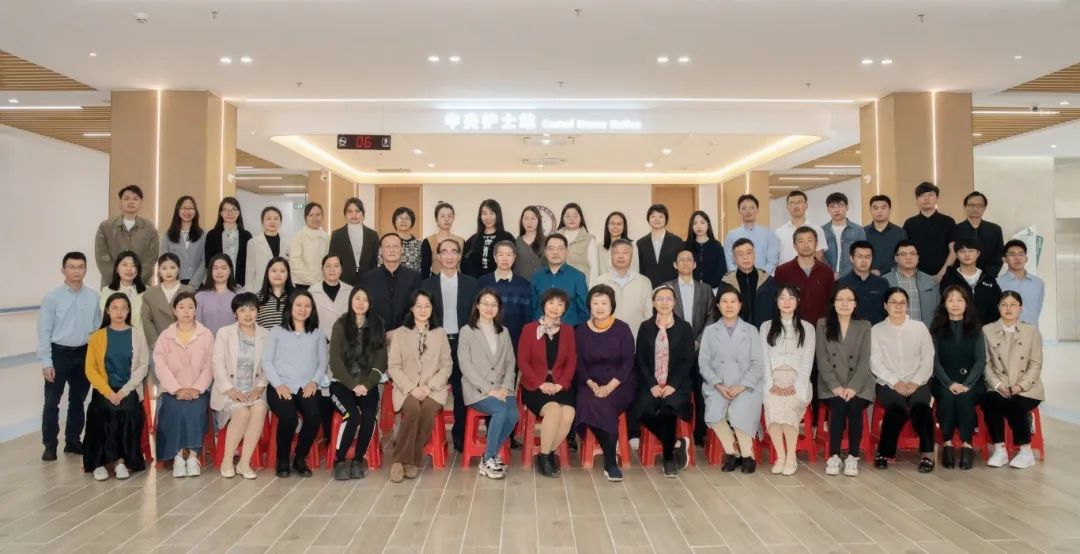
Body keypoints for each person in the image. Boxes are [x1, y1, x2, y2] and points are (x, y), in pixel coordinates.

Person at [38, 252, 99, 461]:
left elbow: (97, 329)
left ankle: (72, 441)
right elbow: (44, 331)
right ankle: (50, 445)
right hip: (59, 354)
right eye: (71, 267)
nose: (76, 271)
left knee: (78, 401)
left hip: (83, 353)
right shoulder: (52, 298)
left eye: (80, 267)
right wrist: (46, 362)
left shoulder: (93, 296)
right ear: (63, 270)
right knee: (51, 402)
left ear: (86, 269)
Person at [387, 290, 453, 483]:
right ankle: (400, 461)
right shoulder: (400, 333)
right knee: (414, 409)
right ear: (411, 308)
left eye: (427, 306)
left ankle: (410, 460)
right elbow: (394, 367)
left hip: (433, 389)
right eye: (419, 306)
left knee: (429, 409)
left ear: (432, 309)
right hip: (406, 388)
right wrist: (411, 388)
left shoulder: (440, 333)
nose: (423, 310)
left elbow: (447, 365)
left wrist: (429, 387)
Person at [421, 238, 480, 452]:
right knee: (430, 387)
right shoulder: (427, 285)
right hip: (436, 344)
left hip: (462, 342)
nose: (449, 255)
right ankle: (427, 435)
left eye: (453, 251)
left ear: (459, 256)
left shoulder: (471, 283)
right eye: (444, 251)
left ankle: (460, 435)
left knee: (461, 390)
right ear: (438, 256)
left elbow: (477, 315)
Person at [82, 292, 148, 480]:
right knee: (103, 412)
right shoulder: (97, 337)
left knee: (127, 411)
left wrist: (124, 391)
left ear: (129, 311)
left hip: (128, 389)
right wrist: (108, 392)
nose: (120, 312)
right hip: (105, 389)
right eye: (115, 308)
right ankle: (99, 463)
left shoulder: (137, 335)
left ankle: (121, 462)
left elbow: (143, 365)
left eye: (124, 308)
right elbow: (90, 369)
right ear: (107, 311)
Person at [699, 285, 764, 474]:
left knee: (740, 413)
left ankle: (748, 455)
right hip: (718, 385)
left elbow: (758, 364)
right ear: (718, 305)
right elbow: (704, 362)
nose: (729, 306)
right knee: (713, 414)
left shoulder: (751, 330)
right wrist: (718, 385)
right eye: (724, 302)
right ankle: (733, 451)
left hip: (746, 386)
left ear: (740, 305)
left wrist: (741, 386)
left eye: (733, 301)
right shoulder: (710, 331)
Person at [264, 290, 329, 478]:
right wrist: (278, 384)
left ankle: (300, 457)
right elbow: (266, 361)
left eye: (307, 306)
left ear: (312, 310)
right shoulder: (276, 332)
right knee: (289, 417)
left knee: (314, 416)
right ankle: (282, 458)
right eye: (299, 305)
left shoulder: (317, 333)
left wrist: (314, 382)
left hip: (307, 385)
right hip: (280, 386)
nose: (303, 309)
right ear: (290, 307)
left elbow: (322, 363)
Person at [574, 285, 636, 481]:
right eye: (595, 303)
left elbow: (628, 363)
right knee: (587, 401)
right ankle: (610, 453)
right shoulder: (581, 330)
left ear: (612, 306)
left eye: (604, 303)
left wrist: (610, 387)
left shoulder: (622, 328)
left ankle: (610, 461)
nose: (599, 307)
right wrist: (591, 384)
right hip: (589, 381)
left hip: (620, 382)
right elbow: (579, 363)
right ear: (589, 306)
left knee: (605, 404)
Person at [870, 288, 936, 472]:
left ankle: (927, 455)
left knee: (921, 408)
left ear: (907, 305)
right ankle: (884, 452)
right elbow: (875, 361)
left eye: (902, 303)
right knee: (897, 409)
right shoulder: (877, 330)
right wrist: (895, 382)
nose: (898, 306)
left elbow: (928, 358)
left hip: (918, 381)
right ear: (885, 305)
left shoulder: (919, 328)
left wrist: (916, 382)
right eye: (893, 302)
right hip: (888, 383)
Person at [635, 284, 697, 477]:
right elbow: (640, 359)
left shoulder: (684, 327)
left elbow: (688, 360)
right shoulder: (645, 327)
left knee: (667, 410)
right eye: (660, 299)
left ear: (674, 302)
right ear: (653, 303)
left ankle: (668, 459)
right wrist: (652, 384)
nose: (664, 302)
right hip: (651, 383)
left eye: (668, 298)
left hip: (677, 384)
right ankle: (677, 442)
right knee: (642, 410)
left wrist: (672, 385)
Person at [458, 289, 519, 480]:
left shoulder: (503, 331)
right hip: (477, 390)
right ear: (477, 305)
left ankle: (487, 454)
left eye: (494, 304)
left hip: (502, 388)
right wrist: (489, 389)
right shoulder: (467, 331)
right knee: (501, 410)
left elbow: (510, 362)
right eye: (485, 303)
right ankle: (489, 459)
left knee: (513, 414)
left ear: (498, 308)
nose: (489, 308)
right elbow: (465, 365)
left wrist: (505, 387)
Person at [153, 292, 214, 478]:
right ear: (174, 311)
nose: (186, 311)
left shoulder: (206, 334)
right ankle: (178, 457)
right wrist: (177, 389)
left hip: (198, 390)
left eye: (190, 307)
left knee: (195, 410)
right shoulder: (165, 336)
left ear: (196, 310)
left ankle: (193, 457)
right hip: (172, 391)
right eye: (181, 307)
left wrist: (197, 388)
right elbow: (160, 366)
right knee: (175, 410)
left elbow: (210, 365)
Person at [328, 287, 386, 480]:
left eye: (365, 300)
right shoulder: (340, 325)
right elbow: (335, 361)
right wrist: (353, 385)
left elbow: (381, 361)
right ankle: (339, 460)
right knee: (352, 416)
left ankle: (358, 459)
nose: (361, 303)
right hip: (342, 385)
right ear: (351, 300)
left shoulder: (377, 325)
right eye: (357, 298)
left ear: (370, 304)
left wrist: (367, 385)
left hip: (367, 386)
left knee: (369, 417)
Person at [518, 288, 578, 478]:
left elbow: (572, 361)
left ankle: (547, 453)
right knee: (553, 410)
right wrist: (540, 384)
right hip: (534, 385)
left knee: (568, 414)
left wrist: (561, 384)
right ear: (543, 305)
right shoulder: (529, 329)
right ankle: (545, 457)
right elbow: (523, 361)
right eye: (551, 302)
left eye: (560, 304)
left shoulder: (568, 330)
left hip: (560, 383)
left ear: (565, 309)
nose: (555, 307)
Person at [816, 285, 873, 477]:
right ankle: (833, 455)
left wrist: (854, 387)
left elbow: (865, 360)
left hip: (859, 384)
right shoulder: (823, 324)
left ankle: (853, 456)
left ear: (855, 304)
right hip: (831, 384)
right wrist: (835, 386)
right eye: (840, 300)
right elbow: (822, 358)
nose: (845, 304)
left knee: (855, 406)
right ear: (833, 303)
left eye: (849, 300)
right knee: (839, 407)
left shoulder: (864, 326)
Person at [983, 291, 1043, 469]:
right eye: (1004, 305)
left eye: (1013, 305)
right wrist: (997, 384)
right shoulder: (987, 330)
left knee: (1015, 403)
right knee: (991, 401)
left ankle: (1025, 451)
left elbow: (1036, 363)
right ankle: (999, 449)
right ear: (998, 308)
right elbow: (985, 363)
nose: (1008, 309)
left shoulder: (1031, 331)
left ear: (1020, 308)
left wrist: (1021, 386)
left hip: (1027, 387)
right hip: (998, 384)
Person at [210, 292, 267, 479]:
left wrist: (260, 387)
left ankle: (244, 463)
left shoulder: (265, 335)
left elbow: (268, 366)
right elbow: (217, 364)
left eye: (252, 309)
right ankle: (227, 460)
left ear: (258, 311)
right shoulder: (224, 333)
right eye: (242, 310)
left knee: (260, 408)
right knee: (242, 413)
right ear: (235, 313)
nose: (248, 314)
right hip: (229, 391)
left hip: (253, 390)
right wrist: (230, 390)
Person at [761, 285, 815, 476]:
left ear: (798, 301)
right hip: (773, 380)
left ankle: (791, 456)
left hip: (798, 381)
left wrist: (796, 386)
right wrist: (771, 385)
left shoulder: (807, 328)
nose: (786, 301)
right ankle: (781, 456)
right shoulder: (766, 327)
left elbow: (807, 362)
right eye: (782, 297)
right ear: (776, 302)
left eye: (791, 298)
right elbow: (763, 360)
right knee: (772, 404)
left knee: (789, 406)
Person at [930, 286, 985, 471]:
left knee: (965, 398)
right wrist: (949, 383)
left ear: (966, 304)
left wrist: (967, 384)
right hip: (943, 381)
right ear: (944, 304)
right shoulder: (936, 329)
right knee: (946, 397)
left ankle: (967, 444)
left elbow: (980, 361)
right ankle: (947, 443)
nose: (955, 304)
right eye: (951, 300)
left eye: (960, 300)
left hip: (972, 382)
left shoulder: (976, 329)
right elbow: (934, 361)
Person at [665, 247, 715, 446]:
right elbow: (663, 315)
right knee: (677, 390)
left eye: (689, 259)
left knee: (701, 391)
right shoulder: (667, 289)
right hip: (674, 350)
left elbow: (712, 316)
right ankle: (678, 433)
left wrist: (698, 341)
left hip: (700, 349)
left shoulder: (705, 289)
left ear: (694, 264)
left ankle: (699, 433)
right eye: (681, 259)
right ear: (674, 264)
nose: (685, 263)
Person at [94, 184, 159, 286]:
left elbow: (151, 259)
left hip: (141, 285)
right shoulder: (106, 227)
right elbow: (102, 257)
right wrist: (117, 280)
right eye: (126, 198)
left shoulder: (149, 228)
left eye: (135, 199)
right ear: (120, 203)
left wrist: (136, 279)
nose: (131, 202)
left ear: (141, 203)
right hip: (111, 284)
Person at [361, 233, 424, 332]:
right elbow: (365, 310)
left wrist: (399, 332)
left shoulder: (415, 276)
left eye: (395, 246)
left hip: (407, 334)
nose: (392, 250)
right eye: (387, 246)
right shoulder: (368, 278)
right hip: (376, 335)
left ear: (402, 249)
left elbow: (417, 307)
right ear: (380, 250)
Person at [593, 238, 653, 338]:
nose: (620, 256)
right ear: (611, 256)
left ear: (631, 256)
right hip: (606, 337)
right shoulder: (600, 281)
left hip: (636, 337)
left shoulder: (644, 282)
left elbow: (649, 314)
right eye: (616, 252)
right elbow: (594, 312)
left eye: (625, 252)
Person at [774, 226, 834, 326]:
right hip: (791, 326)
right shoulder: (782, 271)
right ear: (794, 246)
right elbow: (777, 301)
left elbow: (831, 302)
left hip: (820, 327)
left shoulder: (826, 271)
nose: (806, 245)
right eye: (801, 241)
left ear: (816, 244)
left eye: (810, 240)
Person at [478, 241, 533, 346]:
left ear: (514, 257)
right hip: (488, 339)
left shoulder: (523, 284)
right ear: (495, 257)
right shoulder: (483, 282)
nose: (505, 259)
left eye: (509, 255)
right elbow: (478, 312)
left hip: (515, 340)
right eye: (501, 255)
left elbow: (527, 315)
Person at [902, 182, 957, 282]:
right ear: (917, 200)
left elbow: (953, 251)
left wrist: (942, 274)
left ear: (937, 198)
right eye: (922, 195)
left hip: (944, 276)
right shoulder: (909, 223)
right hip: (916, 277)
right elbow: (905, 252)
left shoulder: (948, 222)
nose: (926, 199)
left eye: (930, 195)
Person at [939, 238, 1002, 325]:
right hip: (957, 329)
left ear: (978, 253)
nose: (967, 254)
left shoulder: (988, 278)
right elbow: (944, 306)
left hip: (987, 329)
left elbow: (998, 303)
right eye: (962, 251)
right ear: (956, 254)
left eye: (971, 251)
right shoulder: (949, 279)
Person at [530, 234, 589, 326]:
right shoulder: (536, 277)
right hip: (541, 330)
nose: (555, 252)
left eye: (560, 248)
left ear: (566, 251)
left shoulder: (578, 277)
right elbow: (532, 308)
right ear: (545, 252)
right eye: (551, 248)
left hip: (570, 330)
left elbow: (584, 310)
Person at [141, 253, 195, 352]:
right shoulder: (150, 293)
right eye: (164, 268)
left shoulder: (189, 291)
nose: (168, 272)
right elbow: (146, 319)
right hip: (159, 345)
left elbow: (194, 318)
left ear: (178, 269)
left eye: (173, 268)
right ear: (159, 270)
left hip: (185, 344)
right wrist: (155, 342)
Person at [882, 241, 939, 328]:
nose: (908, 257)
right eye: (903, 254)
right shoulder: (884, 281)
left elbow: (938, 311)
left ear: (918, 257)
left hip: (924, 332)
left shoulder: (930, 281)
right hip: (893, 332)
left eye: (912, 254)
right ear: (896, 258)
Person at [721, 238, 778, 327]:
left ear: (754, 255)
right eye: (740, 254)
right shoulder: (727, 282)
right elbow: (720, 311)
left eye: (749, 253)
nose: (745, 257)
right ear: (734, 258)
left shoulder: (767, 280)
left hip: (764, 331)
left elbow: (776, 309)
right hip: (736, 331)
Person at [328, 197, 380, 287]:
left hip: (368, 279)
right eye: (350, 211)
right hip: (343, 280)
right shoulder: (337, 235)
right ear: (345, 214)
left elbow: (376, 261)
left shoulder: (373, 235)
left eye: (357, 211)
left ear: (363, 214)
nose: (354, 215)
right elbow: (332, 260)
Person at [952, 191, 1005, 277]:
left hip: (988, 277)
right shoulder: (955, 229)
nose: (975, 208)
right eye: (971, 205)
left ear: (984, 208)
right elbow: (952, 255)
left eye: (979, 206)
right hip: (960, 277)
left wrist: (987, 276)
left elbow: (999, 256)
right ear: (965, 207)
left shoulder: (995, 230)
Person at [204, 196, 253, 288]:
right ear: (221, 213)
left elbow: (250, 263)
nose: (230, 213)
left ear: (239, 213)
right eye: (226, 210)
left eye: (233, 209)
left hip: (241, 284)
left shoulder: (246, 236)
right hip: (217, 283)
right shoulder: (212, 235)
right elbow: (208, 262)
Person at [836, 241, 888, 324]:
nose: (864, 260)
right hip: (852, 329)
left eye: (867, 257)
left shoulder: (882, 283)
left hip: (877, 329)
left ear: (872, 258)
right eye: (860, 256)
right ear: (851, 258)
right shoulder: (841, 284)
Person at [723, 195, 775, 274]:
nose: (748, 211)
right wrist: (737, 276)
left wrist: (761, 276)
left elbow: (772, 261)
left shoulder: (769, 233)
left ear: (757, 210)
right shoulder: (731, 235)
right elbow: (729, 260)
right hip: (738, 278)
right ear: (739, 211)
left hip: (763, 277)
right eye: (744, 208)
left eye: (751, 208)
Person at [996, 239, 1044, 326]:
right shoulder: (997, 283)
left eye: (1021, 254)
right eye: (1012, 254)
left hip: (1032, 331)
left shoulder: (1038, 283)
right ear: (1004, 259)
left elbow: (1037, 310)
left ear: (1026, 258)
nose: (1017, 258)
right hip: (1006, 332)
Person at [161, 195, 207, 287]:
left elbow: (205, 261)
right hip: (174, 284)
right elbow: (164, 260)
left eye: (191, 208)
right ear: (178, 211)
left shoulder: (203, 235)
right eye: (184, 208)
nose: (187, 211)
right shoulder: (168, 235)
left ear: (195, 211)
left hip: (197, 284)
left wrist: (193, 285)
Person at [463, 199, 515, 278]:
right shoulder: (473, 239)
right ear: (480, 216)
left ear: (498, 215)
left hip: (500, 282)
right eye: (484, 213)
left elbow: (512, 263)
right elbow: (465, 264)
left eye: (492, 213)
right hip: (477, 283)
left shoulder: (507, 237)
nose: (488, 217)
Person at [820, 192, 867, 278]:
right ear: (828, 209)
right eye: (832, 206)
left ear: (847, 207)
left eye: (840, 205)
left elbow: (862, 255)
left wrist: (842, 274)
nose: (837, 210)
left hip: (852, 276)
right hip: (827, 276)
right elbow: (820, 256)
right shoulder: (821, 231)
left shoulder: (858, 230)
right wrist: (830, 273)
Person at [636, 204, 683, 287]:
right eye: (653, 216)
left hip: (671, 287)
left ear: (666, 219)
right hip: (648, 287)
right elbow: (641, 268)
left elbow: (681, 266)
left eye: (661, 216)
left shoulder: (676, 241)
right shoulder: (641, 243)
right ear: (648, 219)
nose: (657, 219)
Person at [245, 207, 290, 293]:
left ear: (280, 222)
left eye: (276, 218)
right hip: (260, 288)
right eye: (268, 218)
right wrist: (249, 292)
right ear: (262, 222)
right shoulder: (253, 242)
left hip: (282, 288)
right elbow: (250, 271)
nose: (272, 221)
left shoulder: (288, 242)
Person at [776, 191, 825, 268]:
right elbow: (775, 258)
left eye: (799, 202)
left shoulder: (817, 230)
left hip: (809, 272)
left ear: (806, 205)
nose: (796, 206)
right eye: (792, 203)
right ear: (787, 207)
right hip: (785, 273)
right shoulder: (778, 232)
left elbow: (819, 256)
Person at [195, 254, 241, 336]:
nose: (219, 272)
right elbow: (197, 325)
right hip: (207, 341)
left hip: (233, 341)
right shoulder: (200, 296)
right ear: (210, 271)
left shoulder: (239, 294)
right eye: (215, 268)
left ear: (230, 270)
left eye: (224, 268)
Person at [99, 251, 146, 330]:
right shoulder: (106, 291)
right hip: (114, 334)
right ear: (117, 269)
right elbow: (104, 318)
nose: (129, 269)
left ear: (138, 270)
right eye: (125, 265)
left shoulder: (147, 292)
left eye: (133, 265)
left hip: (140, 335)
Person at [310, 255, 353, 338]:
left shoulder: (350, 291)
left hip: (345, 339)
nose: (332, 269)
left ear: (341, 269)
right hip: (320, 340)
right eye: (328, 266)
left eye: (336, 266)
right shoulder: (312, 291)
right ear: (322, 269)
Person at [557, 202, 601, 284]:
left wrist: (592, 288)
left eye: (575, 216)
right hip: (558, 283)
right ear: (563, 218)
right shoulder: (554, 237)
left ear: (581, 218)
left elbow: (594, 268)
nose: (571, 219)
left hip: (580, 284)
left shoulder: (589, 239)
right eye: (568, 216)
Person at [289, 202, 330, 289]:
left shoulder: (326, 237)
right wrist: (313, 280)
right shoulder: (299, 236)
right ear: (305, 218)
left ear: (322, 216)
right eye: (311, 215)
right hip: (303, 283)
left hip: (323, 283)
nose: (315, 218)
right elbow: (295, 262)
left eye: (318, 214)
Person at [864, 195, 907, 276]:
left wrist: (881, 271)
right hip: (867, 277)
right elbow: (858, 256)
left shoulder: (900, 233)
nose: (879, 211)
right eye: (875, 208)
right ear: (870, 210)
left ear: (890, 210)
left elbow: (903, 256)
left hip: (894, 277)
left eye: (883, 208)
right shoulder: (862, 232)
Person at [420, 202, 465, 279]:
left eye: (449, 216)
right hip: (436, 281)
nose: (446, 219)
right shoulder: (429, 241)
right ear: (436, 219)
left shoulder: (461, 241)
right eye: (442, 216)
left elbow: (464, 267)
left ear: (453, 218)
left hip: (458, 280)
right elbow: (425, 269)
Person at [685, 210, 727, 289]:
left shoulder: (716, 246)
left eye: (702, 222)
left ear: (708, 225)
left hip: (713, 289)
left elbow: (722, 270)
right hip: (689, 288)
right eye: (695, 223)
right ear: (691, 226)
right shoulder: (685, 246)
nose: (699, 226)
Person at [255, 257, 295, 330]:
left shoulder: (296, 296)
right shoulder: (257, 298)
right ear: (267, 273)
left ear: (288, 274)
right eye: (274, 271)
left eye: (282, 271)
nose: (278, 274)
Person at [598, 211, 639, 276]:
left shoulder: (632, 246)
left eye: (619, 224)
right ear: (607, 226)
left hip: (628, 282)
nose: (615, 227)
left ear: (624, 226)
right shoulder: (600, 247)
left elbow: (635, 270)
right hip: (605, 282)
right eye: (612, 223)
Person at [514, 205, 547, 280]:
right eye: (526, 218)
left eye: (533, 218)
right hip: (521, 283)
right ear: (522, 221)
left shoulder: (546, 241)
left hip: (542, 283)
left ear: (539, 221)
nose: (529, 222)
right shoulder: (516, 242)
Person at [386, 207, 423, 272]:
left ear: (412, 222)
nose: (403, 221)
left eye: (407, 218)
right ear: (394, 221)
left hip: (414, 278)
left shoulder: (419, 244)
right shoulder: (387, 242)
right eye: (400, 218)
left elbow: (422, 267)